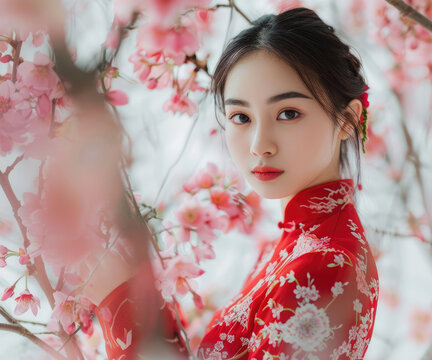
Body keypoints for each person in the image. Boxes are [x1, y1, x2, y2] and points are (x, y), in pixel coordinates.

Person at [90, 7, 379, 360]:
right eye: (241, 117)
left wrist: (123, 301)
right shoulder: (294, 245)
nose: (260, 145)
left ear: (348, 119)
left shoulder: (323, 263)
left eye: (288, 113)